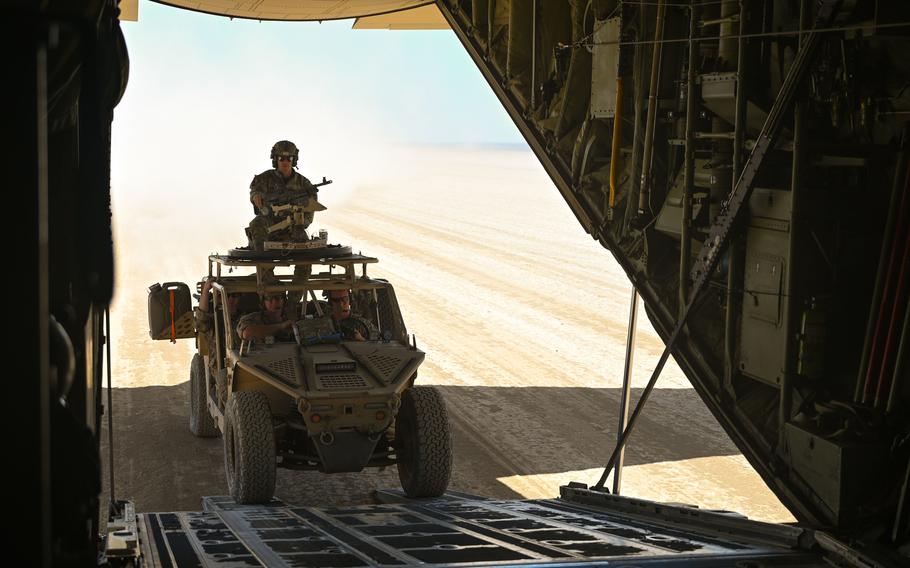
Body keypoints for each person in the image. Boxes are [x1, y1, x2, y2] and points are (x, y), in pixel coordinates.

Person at [246, 140, 319, 250]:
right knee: (257, 224)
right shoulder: (264, 178)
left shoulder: (304, 183)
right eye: (281, 158)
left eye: (289, 158)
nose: (285, 162)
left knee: (304, 250)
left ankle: (302, 266)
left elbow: (311, 207)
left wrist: (300, 222)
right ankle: (263, 261)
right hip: (268, 222)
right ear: (275, 159)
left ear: (294, 160)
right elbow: (255, 191)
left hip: (293, 224)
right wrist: (255, 196)